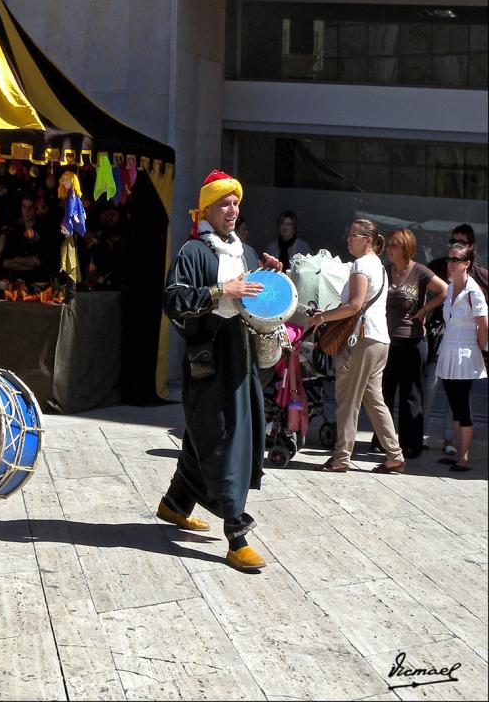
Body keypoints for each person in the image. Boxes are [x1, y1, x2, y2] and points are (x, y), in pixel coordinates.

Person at [160, 170, 282, 572]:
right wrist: (219, 292)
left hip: (240, 353)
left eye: (236, 203)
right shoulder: (193, 252)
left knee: (209, 435)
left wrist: (267, 275)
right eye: (225, 204)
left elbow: (250, 300)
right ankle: (237, 534)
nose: (233, 210)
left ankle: (175, 503)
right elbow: (173, 300)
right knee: (225, 440)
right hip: (209, 360)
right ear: (207, 209)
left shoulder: (242, 252)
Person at [308, 218, 405, 474]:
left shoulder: (361, 265)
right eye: (349, 234)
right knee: (374, 399)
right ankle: (394, 456)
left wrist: (322, 318)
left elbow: (354, 305)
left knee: (347, 399)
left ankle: (341, 457)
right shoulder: (379, 266)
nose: (348, 239)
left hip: (362, 339)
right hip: (379, 339)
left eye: (353, 235)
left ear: (368, 241)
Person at [371, 229, 447, 458]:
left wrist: (424, 310)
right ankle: (382, 440)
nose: (389, 248)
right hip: (388, 340)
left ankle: (410, 443)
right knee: (383, 393)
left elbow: (445, 290)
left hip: (414, 342)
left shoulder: (420, 272)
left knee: (411, 395)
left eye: (394, 245)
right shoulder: (385, 271)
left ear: (405, 248)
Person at [425, 224, 489, 456]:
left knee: (461, 405)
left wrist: (478, 350)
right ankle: (455, 450)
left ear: (467, 262)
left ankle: (462, 456)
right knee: (453, 402)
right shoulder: (451, 288)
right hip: (449, 350)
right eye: (450, 258)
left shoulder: (474, 290)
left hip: (466, 352)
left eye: (455, 259)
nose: (449, 263)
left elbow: (484, 327)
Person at [1, 194, 54, 283]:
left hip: (39, 282)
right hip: (16, 282)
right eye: (24, 207)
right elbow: (3, 261)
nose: (27, 210)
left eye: (31, 207)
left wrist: (15, 259)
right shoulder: (15, 231)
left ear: (36, 209)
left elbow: (43, 261)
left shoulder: (44, 231)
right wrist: (29, 263)